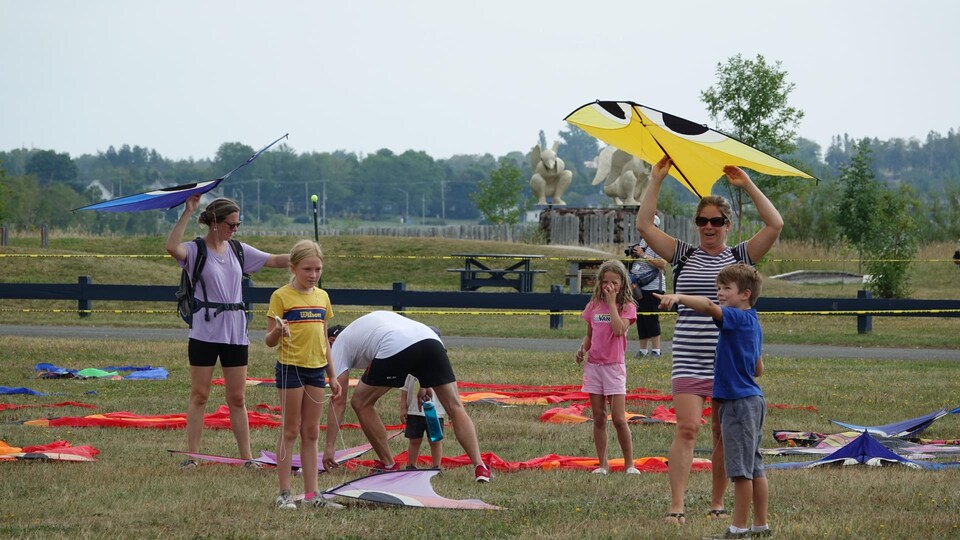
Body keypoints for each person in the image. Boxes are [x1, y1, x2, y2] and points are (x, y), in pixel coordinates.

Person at [636, 156, 782, 523]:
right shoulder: (683, 255)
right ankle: (677, 506)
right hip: (688, 355)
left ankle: (718, 503)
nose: (708, 227)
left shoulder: (741, 257)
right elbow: (642, 224)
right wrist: (656, 179)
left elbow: (775, 224)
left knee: (721, 433)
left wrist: (746, 184)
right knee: (687, 427)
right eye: (702, 221)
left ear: (728, 225)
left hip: (725, 362)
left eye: (716, 221)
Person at [165, 194, 290, 468]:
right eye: (231, 224)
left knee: (238, 397)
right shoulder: (195, 251)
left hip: (235, 333)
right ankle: (193, 456)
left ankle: (247, 457)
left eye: (237, 225)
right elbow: (172, 247)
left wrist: (306, 255)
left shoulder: (239, 251)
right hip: (204, 333)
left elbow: (277, 260)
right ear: (214, 223)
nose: (235, 229)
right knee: (200, 395)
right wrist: (188, 211)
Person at [656, 265, 770, 538]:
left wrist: (679, 297)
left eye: (725, 288)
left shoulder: (735, 318)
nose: (719, 293)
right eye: (718, 288)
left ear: (745, 294)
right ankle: (760, 526)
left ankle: (738, 529)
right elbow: (758, 369)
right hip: (753, 400)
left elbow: (707, 306)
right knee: (755, 466)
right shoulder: (753, 322)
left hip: (738, 403)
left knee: (741, 472)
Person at [322, 311, 491, 482]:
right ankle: (480, 467)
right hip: (430, 339)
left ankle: (388, 465)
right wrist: (425, 382)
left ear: (331, 341)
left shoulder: (338, 345)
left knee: (360, 403)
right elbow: (414, 348)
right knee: (455, 407)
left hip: (395, 343)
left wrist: (330, 447)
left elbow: (338, 399)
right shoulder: (364, 328)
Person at [265, 240, 343, 510]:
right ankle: (284, 493)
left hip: (316, 370)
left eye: (318, 269)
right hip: (290, 369)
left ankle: (313, 495)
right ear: (293, 268)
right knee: (290, 430)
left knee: (311, 432)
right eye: (307, 269)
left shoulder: (322, 297)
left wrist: (332, 375)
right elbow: (268, 341)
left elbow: (324, 338)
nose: (313, 274)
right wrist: (279, 330)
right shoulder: (281, 297)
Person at [576, 260, 639, 475]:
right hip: (594, 366)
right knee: (599, 417)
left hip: (614, 367)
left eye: (614, 282)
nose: (609, 286)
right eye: (605, 282)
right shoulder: (593, 305)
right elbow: (590, 334)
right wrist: (582, 349)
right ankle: (603, 464)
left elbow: (619, 330)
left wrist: (612, 304)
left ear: (622, 283)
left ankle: (629, 463)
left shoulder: (627, 307)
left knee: (619, 419)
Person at [629, 214, 667, 359]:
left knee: (651, 318)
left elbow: (663, 263)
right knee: (641, 319)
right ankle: (643, 350)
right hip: (638, 287)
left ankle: (656, 350)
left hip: (653, 286)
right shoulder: (643, 242)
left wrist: (643, 255)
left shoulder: (659, 242)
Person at [399, 374, 445, 469]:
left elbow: (449, 390)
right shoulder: (410, 369)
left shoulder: (439, 368)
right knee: (414, 440)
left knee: (435, 440)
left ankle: (436, 467)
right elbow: (404, 389)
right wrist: (403, 408)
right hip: (414, 411)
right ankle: (411, 466)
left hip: (435, 412)